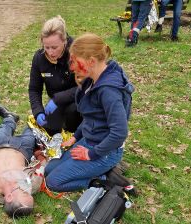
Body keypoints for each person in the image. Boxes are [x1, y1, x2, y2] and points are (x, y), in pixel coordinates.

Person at [45, 33, 133, 192]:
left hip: (103, 151)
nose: (72, 68)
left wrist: (92, 154)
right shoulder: (93, 79)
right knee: (48, 170)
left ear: (91, 61)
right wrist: (75, 137)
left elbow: (120, 132)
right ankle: (104, 170)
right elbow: (93, 117)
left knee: (53, 182)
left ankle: (104, 179)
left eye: (75, 62)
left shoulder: (109, 91)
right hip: (89, 141)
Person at [28, 15, 81, 136]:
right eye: (47, 47)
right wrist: (38, 111)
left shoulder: (76, 53)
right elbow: (34, 89)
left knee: (72, 114)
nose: (50, 52)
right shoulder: (39, 58)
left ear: (65, 41)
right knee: (49, 129)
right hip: (56, 104)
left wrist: (58, 99)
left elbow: (86, 85)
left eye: (54, 47)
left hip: (78, 101)